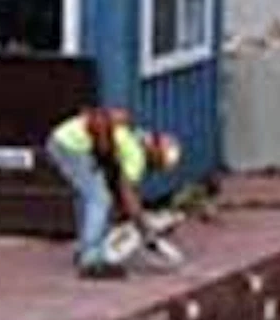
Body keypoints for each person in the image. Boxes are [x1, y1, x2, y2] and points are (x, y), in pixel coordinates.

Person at [43, 102, 180, 277]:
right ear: (154, 158)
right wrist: (144, 230)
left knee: (88, 195)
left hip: (62, 138)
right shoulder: (135, 157)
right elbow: (128, 194)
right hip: (71, 146)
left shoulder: (136, 135)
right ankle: (91, 260)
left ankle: (86, 247)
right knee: (99, 198)